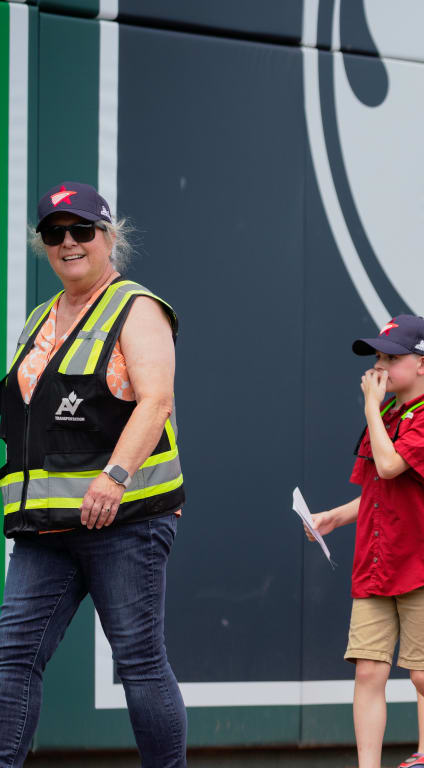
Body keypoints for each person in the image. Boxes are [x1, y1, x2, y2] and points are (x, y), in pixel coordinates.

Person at [0, 183, 187, 766]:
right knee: (12, 655)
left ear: (109, 237)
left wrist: (114, 477)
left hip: (125, 520)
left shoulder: (138, 307)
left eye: (82, 230)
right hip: (45, 528)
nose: (69, 242)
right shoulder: (39, 318)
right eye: (54, 233)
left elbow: (155, 402)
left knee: (137, 660)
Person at [309, 315, 424, 768]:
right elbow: (379, 488)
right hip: (374, 564)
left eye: (392, 358)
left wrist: (371, 408)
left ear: (423, 365)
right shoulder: (390, 413)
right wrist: (336, 516)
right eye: (378, 356)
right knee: (369, 670)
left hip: (422, 565)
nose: (379, 367)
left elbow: (393, 466)